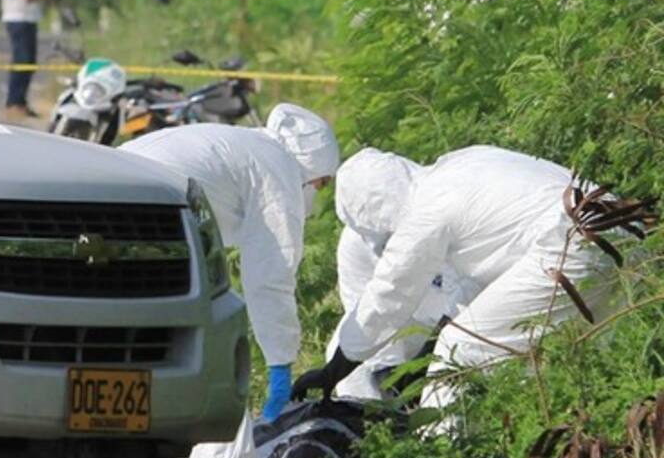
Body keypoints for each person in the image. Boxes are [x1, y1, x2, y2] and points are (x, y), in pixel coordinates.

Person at [298, 145, 629, 410]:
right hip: (620, 223)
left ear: (377, 214)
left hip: (572, 242)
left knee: (461, 349)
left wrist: (333, 372)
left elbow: (388, 299)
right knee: (601, 348)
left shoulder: (425, 215)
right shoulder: (460, 162)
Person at [121, 103, 340, 421]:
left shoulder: (248, 145)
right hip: (146, 206)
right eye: (320, 184)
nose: (316, 195)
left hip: (114, 182)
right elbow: (271, 275)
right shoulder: (279, 170)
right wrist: (280, 366)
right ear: (309, 169)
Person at [324, 149, 464, 402]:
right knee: (342, 347)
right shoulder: (355, 246)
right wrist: (387, 373)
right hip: (408, 326)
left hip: (464, 318)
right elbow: (366, 314)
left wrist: (426, 362)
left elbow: (469, 294)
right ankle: (375, 423)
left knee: (455, 374)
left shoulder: (445, 210)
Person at [0, 0, 43, 120]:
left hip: (29, 18)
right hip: (17, 18)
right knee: (22, 59)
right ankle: (13, 101)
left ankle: (21, 101)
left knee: (30, 61)